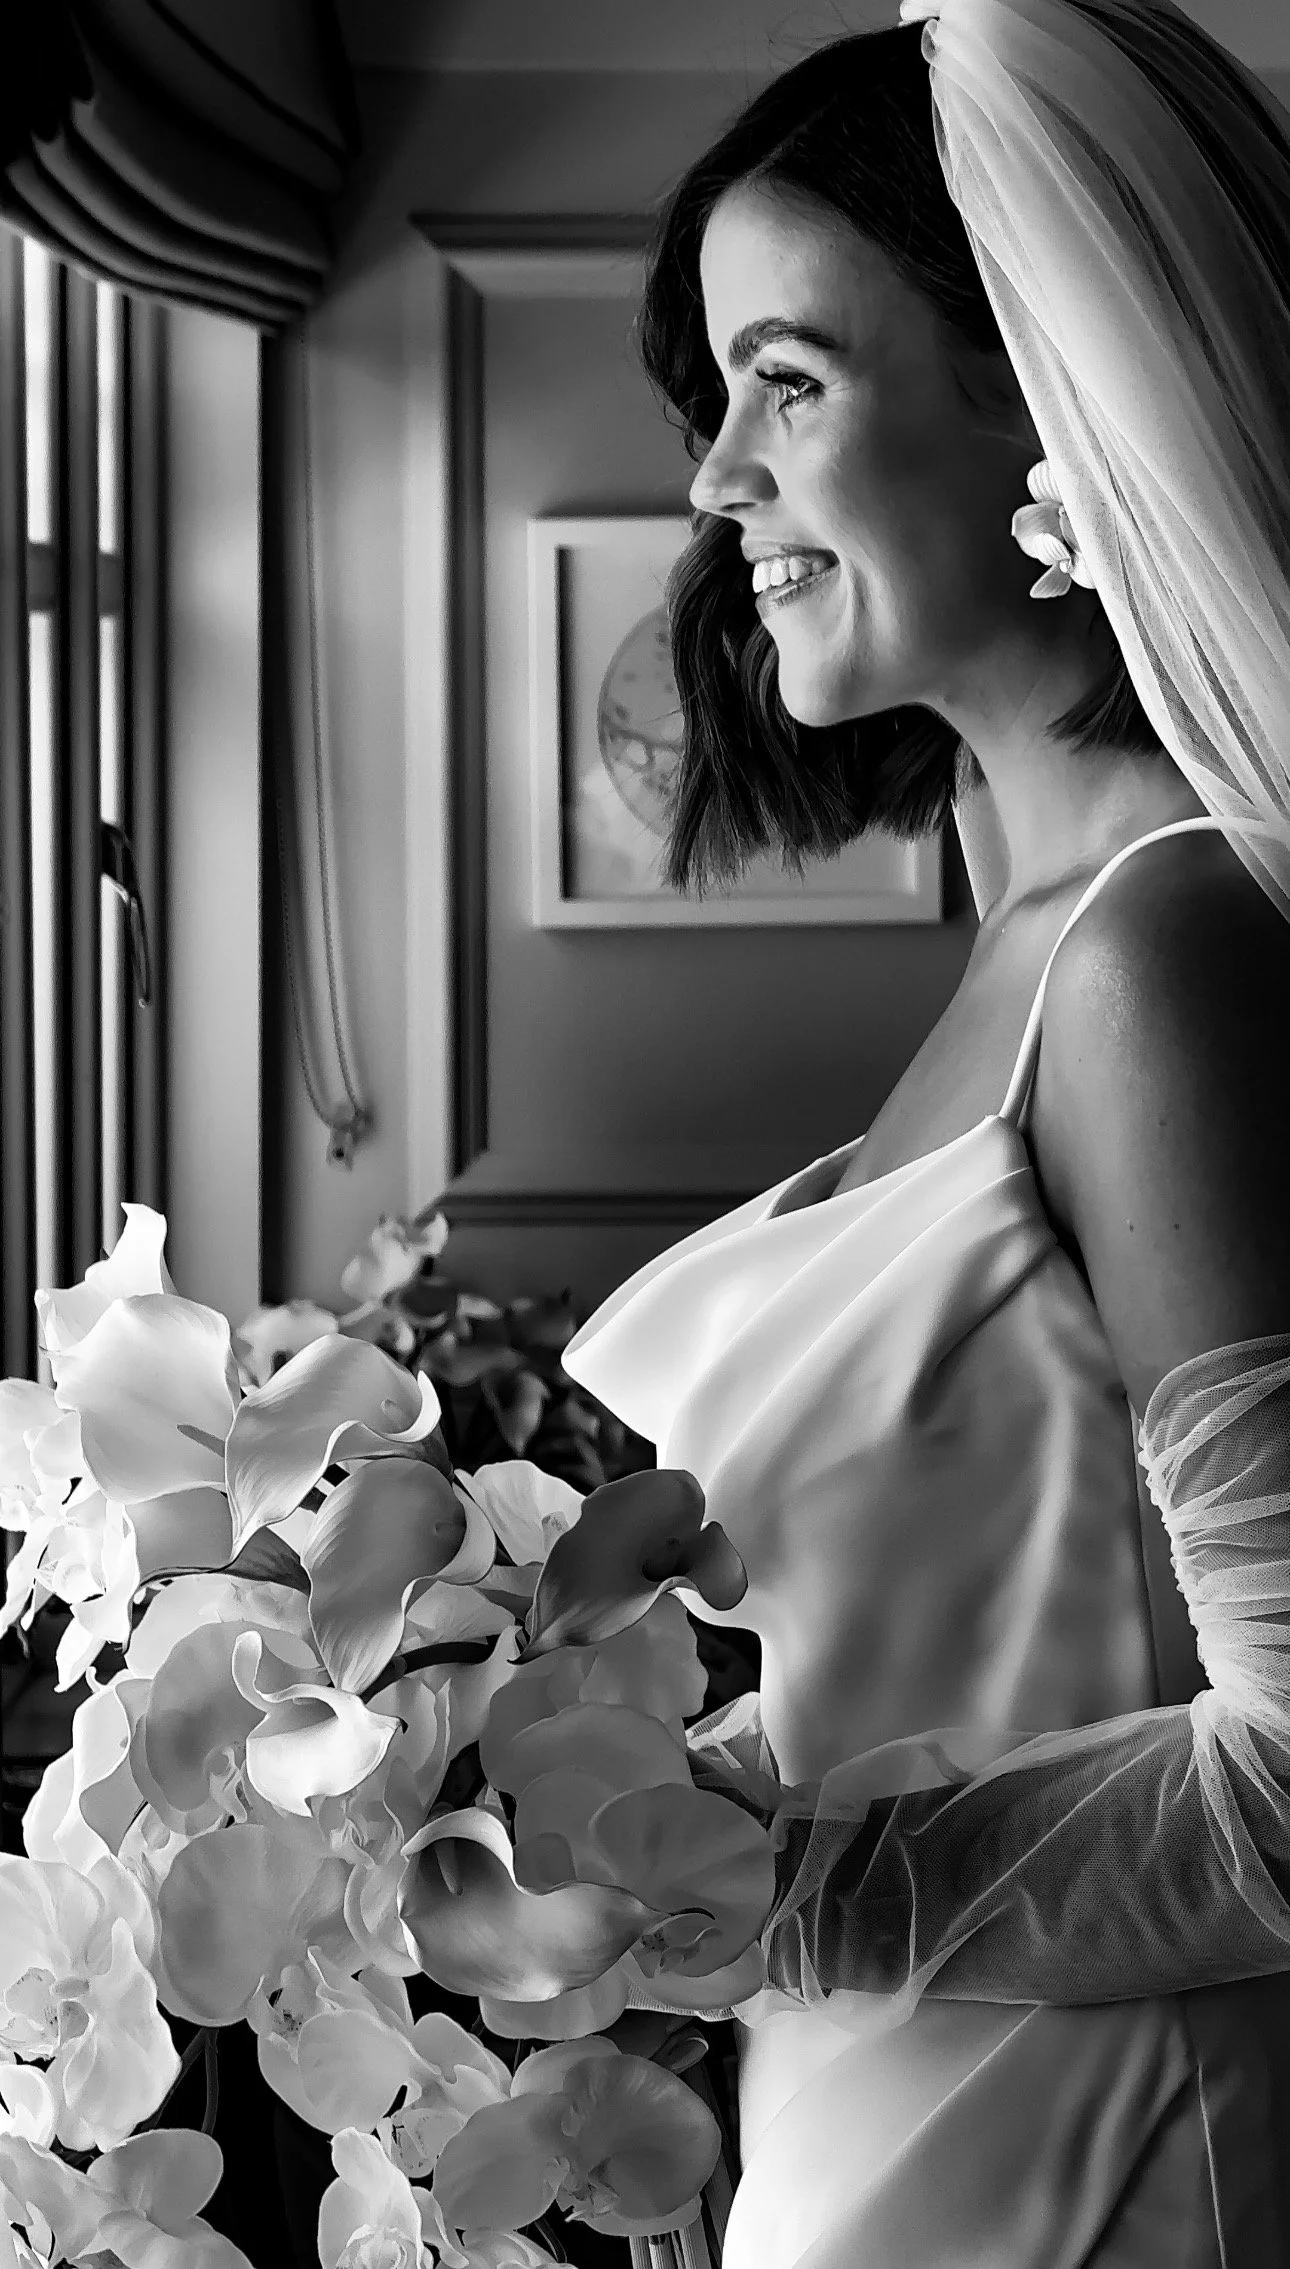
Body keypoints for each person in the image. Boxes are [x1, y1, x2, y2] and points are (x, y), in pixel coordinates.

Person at [559, 2, 1290, 2261]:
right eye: (720, 403)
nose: (714, 485)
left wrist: (778, 1898)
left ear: (1050, 399)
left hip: (1088, 2185)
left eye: (790, 383)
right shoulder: (1017, 929)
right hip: (878, 2156)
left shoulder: (1158, 956)